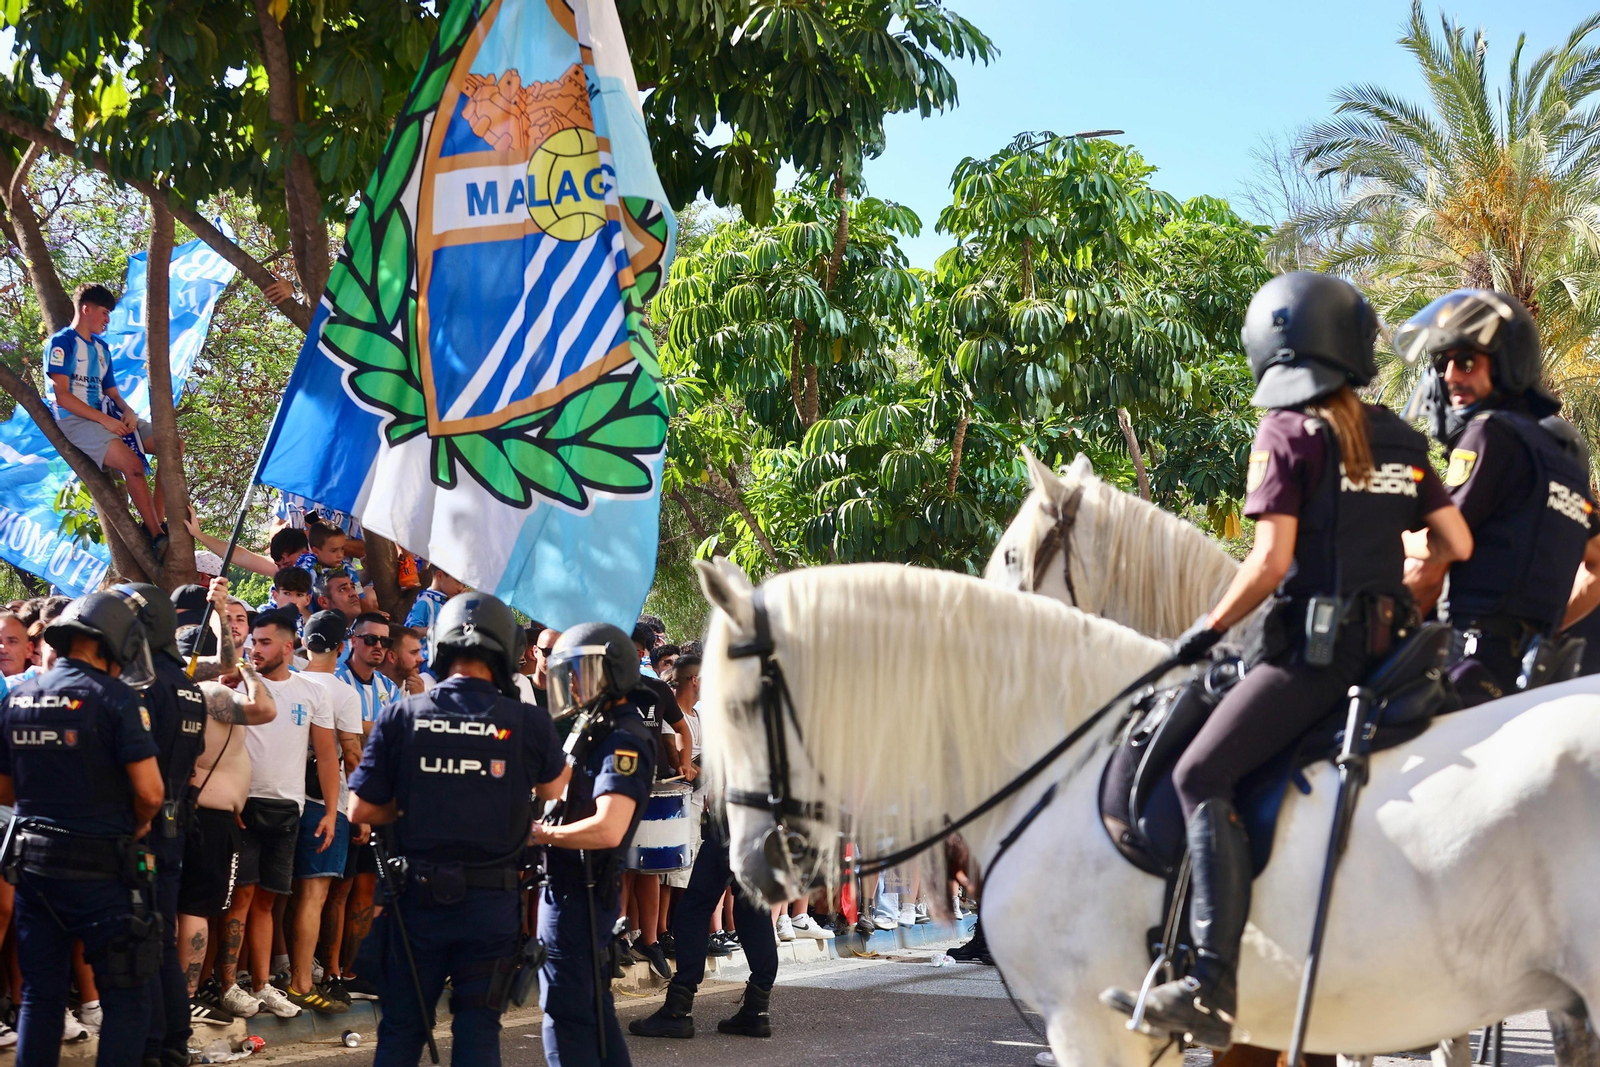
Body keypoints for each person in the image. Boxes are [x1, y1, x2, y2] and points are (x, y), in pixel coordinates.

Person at [1101, 272, 1473, 1049]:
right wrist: (1416, 573)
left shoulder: (1287, 432)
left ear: (1276, 346)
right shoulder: (1401, 438)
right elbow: (1457, 543)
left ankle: (1211, 980)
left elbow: (1270, 563)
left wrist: (1205, 628)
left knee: (1199, 774)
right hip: (1392, 655)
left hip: (1313, 657)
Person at [349, 592, 567, 1066]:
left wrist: (408, 807)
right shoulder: (528, 721)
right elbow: (554, 788)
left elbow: (361, 809)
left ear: (441, 648)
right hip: (491, 909)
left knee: (403, 1030)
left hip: (414, 905)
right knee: (478, 1032)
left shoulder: (402, 714)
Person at [1395, 288, 1600, 703]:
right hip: (1529, 673)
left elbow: (1436, 559)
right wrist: (1550, 626)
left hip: (1466, 660)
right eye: (1442, 362)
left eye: (1467, 360)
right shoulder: (1561, 458)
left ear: (1507, 362)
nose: (1451, 374)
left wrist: (1394, 538)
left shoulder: (1488, 432)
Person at [112, 584, 275, 1064]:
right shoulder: (206, 693)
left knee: (176, 917)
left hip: (181, 818)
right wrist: (245, 665)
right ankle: (179, 1009)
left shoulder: (180, 688)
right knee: (189, 915)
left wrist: (221, 613)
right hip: (191, 818)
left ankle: (177, 1014)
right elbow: (264, 707)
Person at [0, 593, 165, 1066]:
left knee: (39, 997)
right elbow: (151, 793)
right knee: (126, 998)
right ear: (113, 643)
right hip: (102, 872)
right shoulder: (115, 698)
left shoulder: (19, 696)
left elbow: (5, 792)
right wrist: (133, 824)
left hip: (34, 869)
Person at [531, 624, 659, 1065]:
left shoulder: (622, 739)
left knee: (567, 1014)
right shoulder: (595, 728)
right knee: (592, 1014)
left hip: (581, 890)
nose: (568, 684)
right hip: (571, 887)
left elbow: (608, 829)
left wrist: (541, 835)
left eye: (579, 672)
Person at [216, 612, 339, 1021]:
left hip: (290, 808)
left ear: (289, 647)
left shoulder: (311, 691)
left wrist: (332, 813)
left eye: (266, 642)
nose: (256, 648)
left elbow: (325, 755)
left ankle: (262, 983)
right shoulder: (241, 686)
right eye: (254, 641)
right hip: (244, 807)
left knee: (269, 900)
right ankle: (229, 985)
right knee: (241, 898)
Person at [44, 284, 167, 557]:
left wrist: (128, 411)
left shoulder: (102, 347)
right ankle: (157, 534)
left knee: (172, 448)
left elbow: (112, 392)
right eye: (104, 313)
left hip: (107, 414)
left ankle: (155, 525)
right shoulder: (61, 343)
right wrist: (105, 421)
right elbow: (62, 397)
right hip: (76, 420)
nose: (108, 320)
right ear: (86, 309)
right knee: (132, 466)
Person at [286, 612, 364, 1013]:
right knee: (313, 898)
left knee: (277, 897)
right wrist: (361, 810)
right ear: (342, 645)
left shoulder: (288, 680)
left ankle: (274, 976)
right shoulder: (343, 693)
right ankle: (301, 981)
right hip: (325, 805)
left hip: (282, 798)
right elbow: (351, 755)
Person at [331, 614, 401, 1002]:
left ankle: (357, 970)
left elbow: (386, 731)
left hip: (378, 804)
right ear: (352, 640)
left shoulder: (389, 686)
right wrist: (376, 726)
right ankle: (333, 971)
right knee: (336, 892)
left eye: (383, 642)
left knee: (365, 891)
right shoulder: (338, 681)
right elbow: (354, 731)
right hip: (341, 801)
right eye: (370, 638)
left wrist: (366, 726)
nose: (377, 646)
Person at [403, 569, 467, 675]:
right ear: (440, 576)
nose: (461, 588)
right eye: (458, 582)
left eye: (464, 585)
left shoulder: (452, 603)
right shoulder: (425, 601)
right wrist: (434, 630)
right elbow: (410, 632)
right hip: (426, 661)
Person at [383, 626, 430, 695]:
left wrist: (419, 698)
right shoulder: (369, 691)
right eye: (414, 652)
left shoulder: (421, 689)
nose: (421, 659)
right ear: (392, 657)